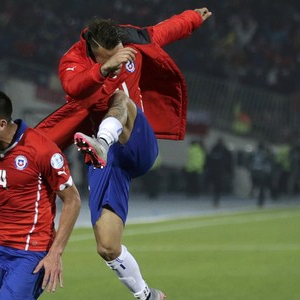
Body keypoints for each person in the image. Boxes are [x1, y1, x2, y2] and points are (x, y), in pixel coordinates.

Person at [35, 8, 212, 300]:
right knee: (106, 245)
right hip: (108, 161)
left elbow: (163, 31)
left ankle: (103, 141)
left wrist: (192, 18)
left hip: (137, 141)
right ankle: (147, 294)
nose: (119, 64)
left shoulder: (131, 40)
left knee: (120, 97)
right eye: (109, 59)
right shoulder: (74, 59)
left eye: (121, 57)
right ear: (95, 51)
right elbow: (73, 86)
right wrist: (103, 70)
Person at [0, 89, 81, 299]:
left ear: (1, 125)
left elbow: (73, 201)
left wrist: (55, 253)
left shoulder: (42, 150)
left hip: (30, 251)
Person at [206, 138, 233, 207]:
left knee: (216, 185)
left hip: (215, 171)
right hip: (220, 171)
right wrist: (228, 171)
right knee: (218, 186)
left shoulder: (214, 149)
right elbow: (228, 162)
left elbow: (209, 160)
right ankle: (216, 199)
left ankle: (216, 199)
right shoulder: (224, 150)